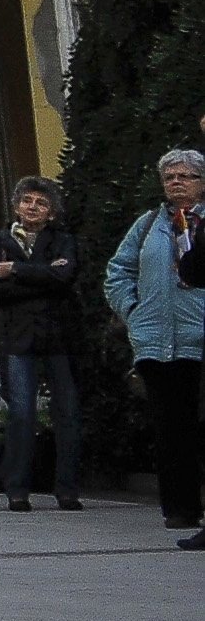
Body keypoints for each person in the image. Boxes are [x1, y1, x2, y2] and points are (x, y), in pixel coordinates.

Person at [104, 149, 205, 545]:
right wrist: (133, 310)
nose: (177, 183)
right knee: (170, 428)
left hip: (199, 339)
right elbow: (118, 270)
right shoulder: (150, 223)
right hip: (157, 342)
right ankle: (179, 508)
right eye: (170, 177)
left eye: (186, 176)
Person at [0, 177, 86, 513]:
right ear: (16, 206)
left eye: (41, 202)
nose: (33, 208)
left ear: (51, 211)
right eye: (27, 201)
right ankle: (17, 489)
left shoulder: (63, 241)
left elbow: (65, 278)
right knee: (21, 413)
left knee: (67, 413)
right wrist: (41, 276)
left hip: (57, 336)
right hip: (17, 336)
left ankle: (67, 489)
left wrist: (15, 271)